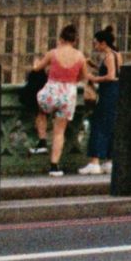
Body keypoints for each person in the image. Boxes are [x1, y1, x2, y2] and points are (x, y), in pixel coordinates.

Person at [31, 25, 88, 175]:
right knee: (59, 132)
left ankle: (42, 140)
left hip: (52, 92)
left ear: (61, 39)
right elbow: (83, 76)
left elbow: (37, 69)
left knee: (41, 110)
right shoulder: (80, 56)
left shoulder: (53, 53)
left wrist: (35, 63)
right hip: (68, 94)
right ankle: (54, 166)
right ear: (75, 41)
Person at [78, 26, 121, 175]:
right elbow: (116, 73)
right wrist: (95, 66)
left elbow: (110, 76)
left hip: (108, 93)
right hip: (116, 92)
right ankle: (109, 161)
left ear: (104, 43)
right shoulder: (117, 54)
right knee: (110, 127)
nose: (95, 46)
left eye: (96, 43)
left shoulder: (108, 56)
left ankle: (94, 162)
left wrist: (92, 78)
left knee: (98, 125)